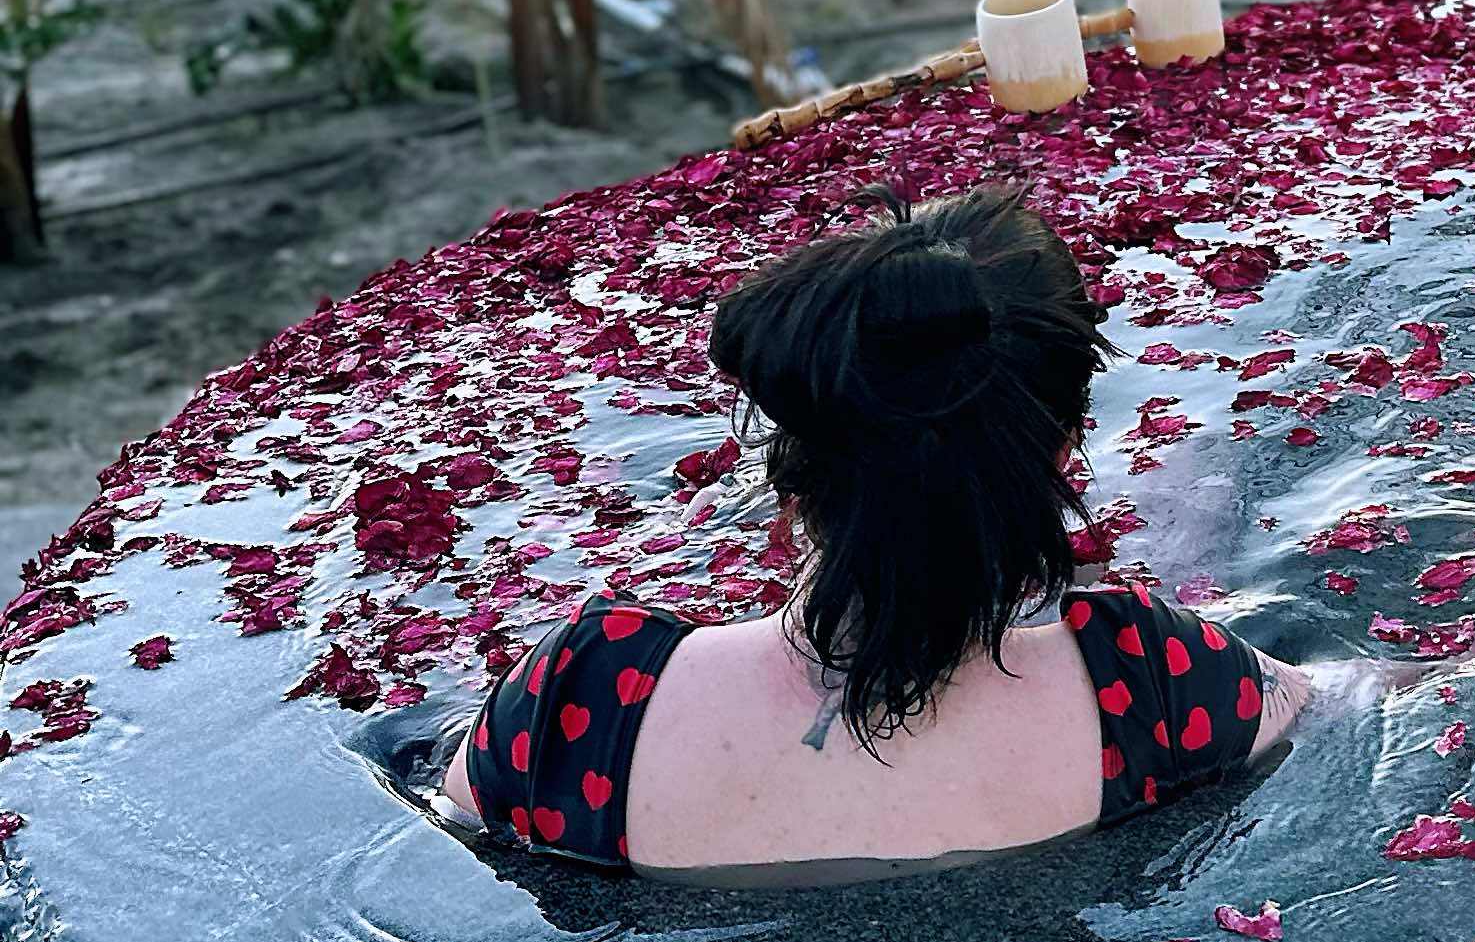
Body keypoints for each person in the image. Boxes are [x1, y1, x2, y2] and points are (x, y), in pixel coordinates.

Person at [435, 183, 1312, 876]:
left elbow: (461, 820)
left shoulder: (578, 703)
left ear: (790, 455)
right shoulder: (1155, 686)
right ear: (1062, 454)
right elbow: (1373, 699)